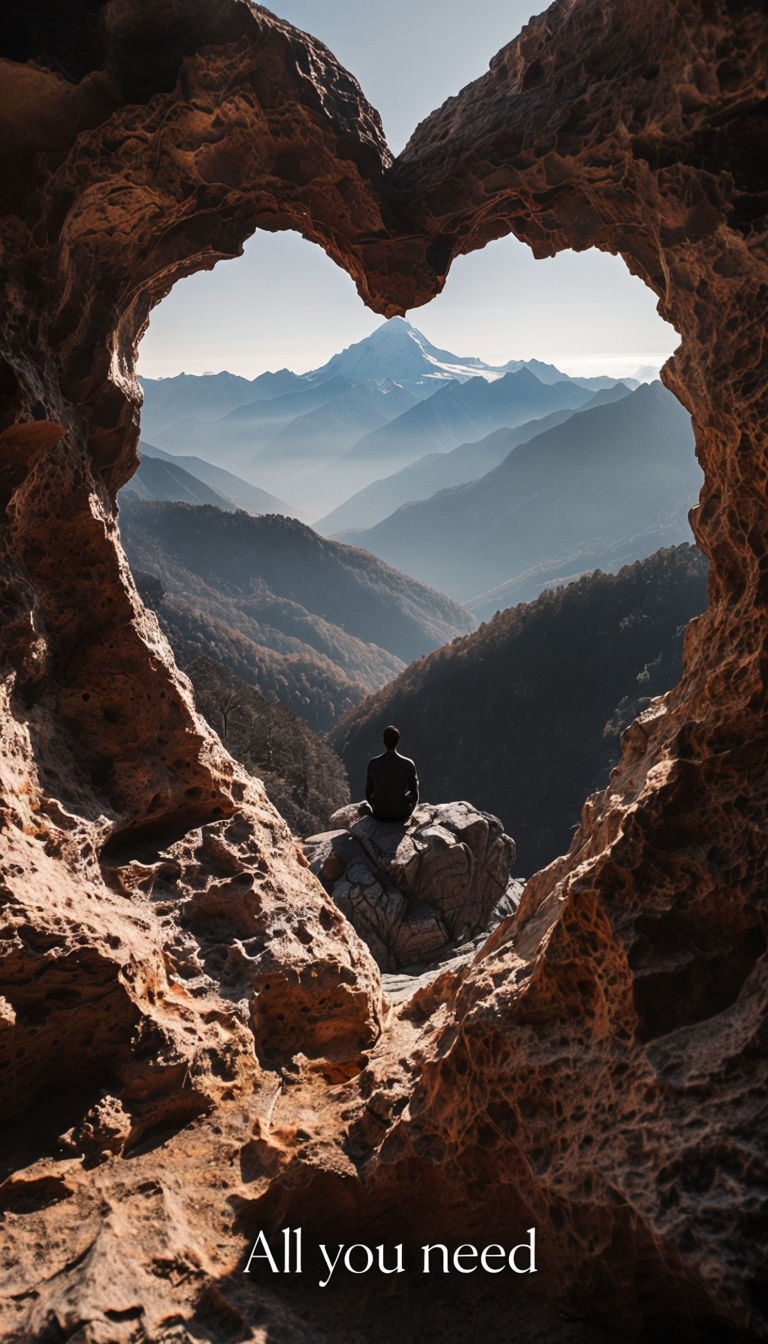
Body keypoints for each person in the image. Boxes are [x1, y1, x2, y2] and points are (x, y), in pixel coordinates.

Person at [361, 725, 419, 823]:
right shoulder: (408, 764)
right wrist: (404, 801)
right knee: (415, 783)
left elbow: (368, 794)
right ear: (398, 741)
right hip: (400, 814)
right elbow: (414, 795)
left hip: (379, 814)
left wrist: (377, 805)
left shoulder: (373, 763)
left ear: (384, 741)